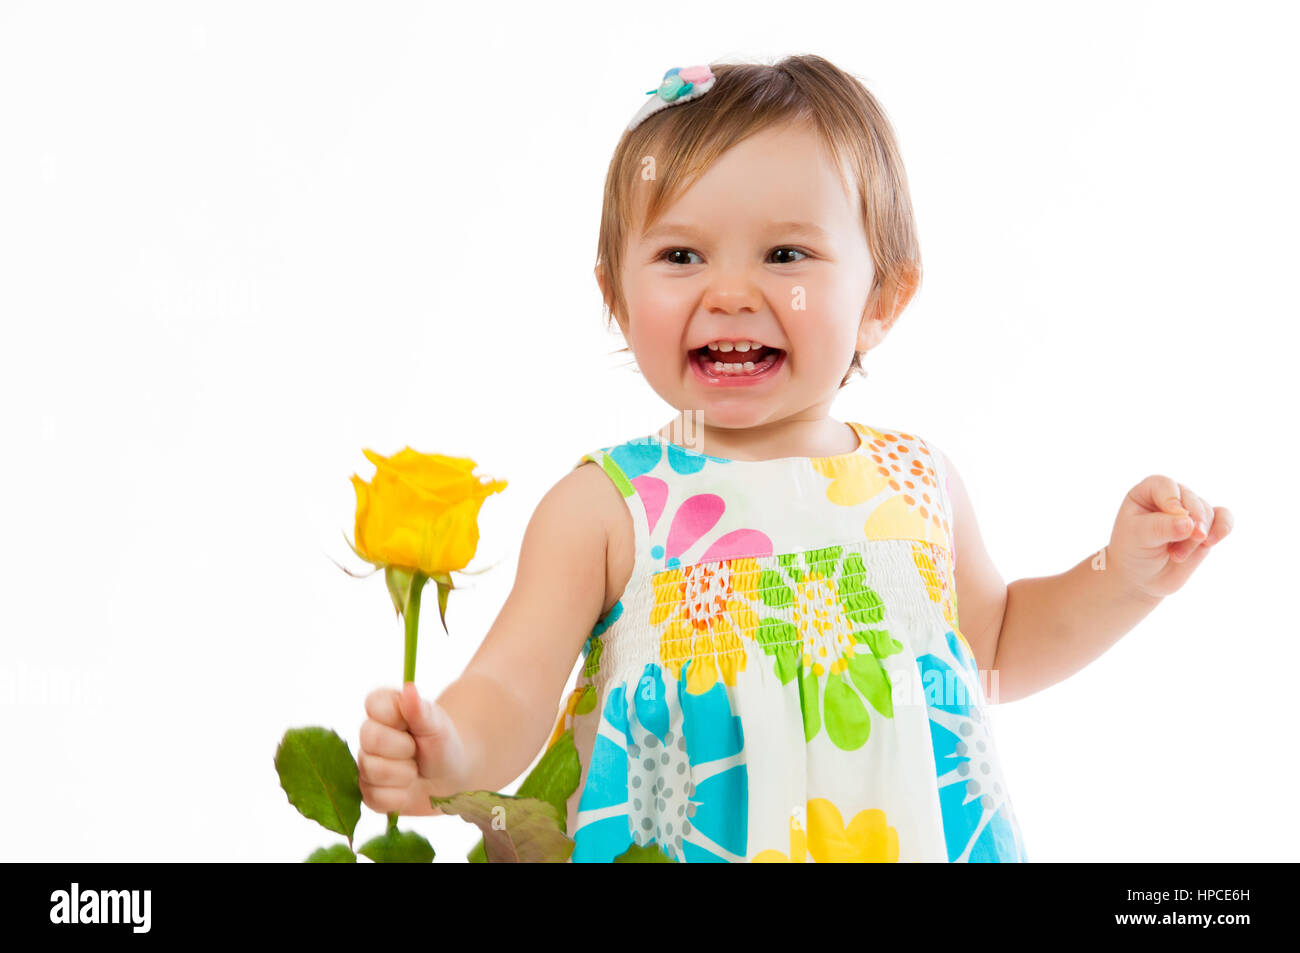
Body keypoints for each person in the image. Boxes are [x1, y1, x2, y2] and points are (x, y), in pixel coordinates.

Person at [356, 54, 1233, 862]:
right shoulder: (607, 507)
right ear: (616, 296)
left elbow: (999, 640)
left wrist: (1123, 576)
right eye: (680, 255)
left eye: (786, 255)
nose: (731, 292)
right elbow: (514, 686)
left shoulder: (918, 484)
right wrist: (454, 745)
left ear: (883, 296)